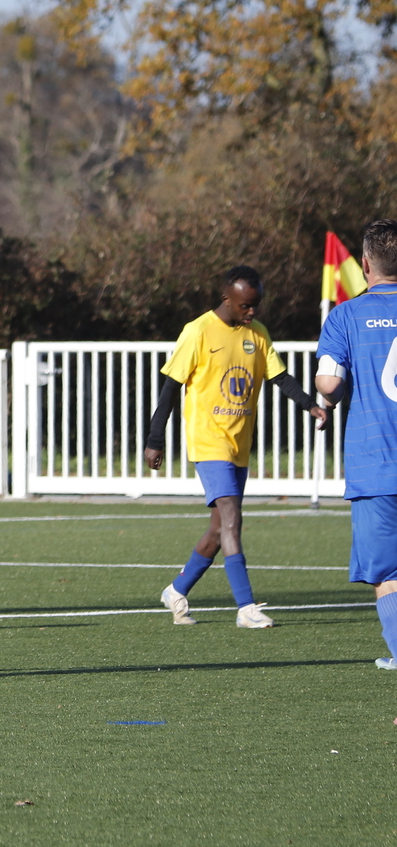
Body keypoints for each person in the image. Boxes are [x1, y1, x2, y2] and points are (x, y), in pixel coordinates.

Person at [144, 265, 326, 628]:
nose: (252, 311)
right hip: (208, 442)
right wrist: (155, 439)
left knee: (218, 529)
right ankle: (246, 608)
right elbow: (170, 388)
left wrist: (310, 405)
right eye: (246, 305)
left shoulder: (257, 333)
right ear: (227, 298)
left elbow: (280, 377)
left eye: (256, 304)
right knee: (232, 518)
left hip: (239, 444)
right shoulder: (197, 331)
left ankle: (177, 591)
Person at [315, 219, 397, 669]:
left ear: (365, 264)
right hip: (378, 463)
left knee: (387, 571)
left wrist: (325, 399)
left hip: (376, 462)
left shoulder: (346, 315)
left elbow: (330, 384)